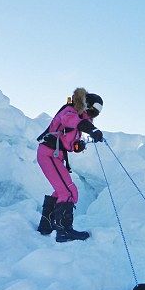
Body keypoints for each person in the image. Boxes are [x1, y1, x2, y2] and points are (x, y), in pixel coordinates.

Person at [36, 87, 104, 242]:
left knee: (63, 191)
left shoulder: (81, 119)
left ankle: (46, 225)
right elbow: (70, 121)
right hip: (48, 154)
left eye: (99, 110)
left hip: (55, 156)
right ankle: (64, 231)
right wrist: (91, 129)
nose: (96, 112)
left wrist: (77, 145)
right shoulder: (70, 110)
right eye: (94, 108)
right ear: (86, 104)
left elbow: (69, 142)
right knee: (69, 192)